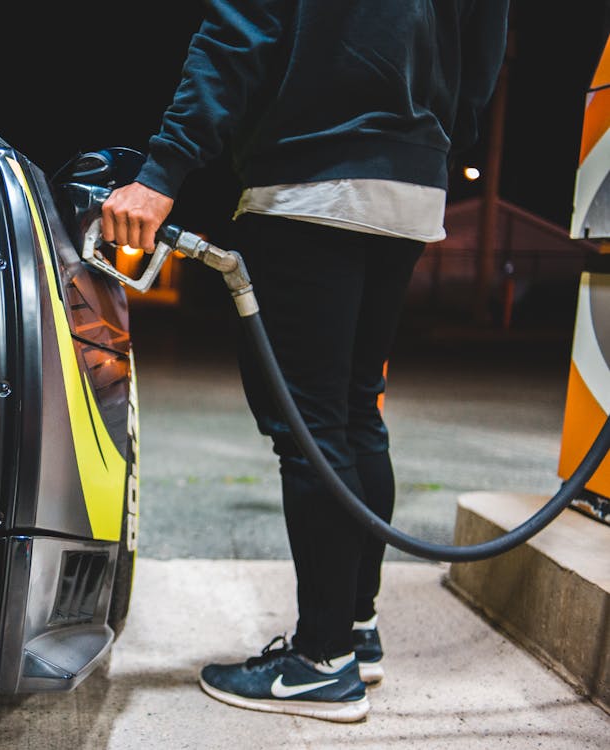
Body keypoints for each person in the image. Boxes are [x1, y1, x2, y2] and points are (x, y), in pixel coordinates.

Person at [101, 0, 510, 723]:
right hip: (411, 180)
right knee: (354, 411)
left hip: (312, 174)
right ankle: (353, 629)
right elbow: (483, 53)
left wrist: (162, 171)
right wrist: (433, 140)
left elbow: (239, 32)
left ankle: (320, 664)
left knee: (309, 426)